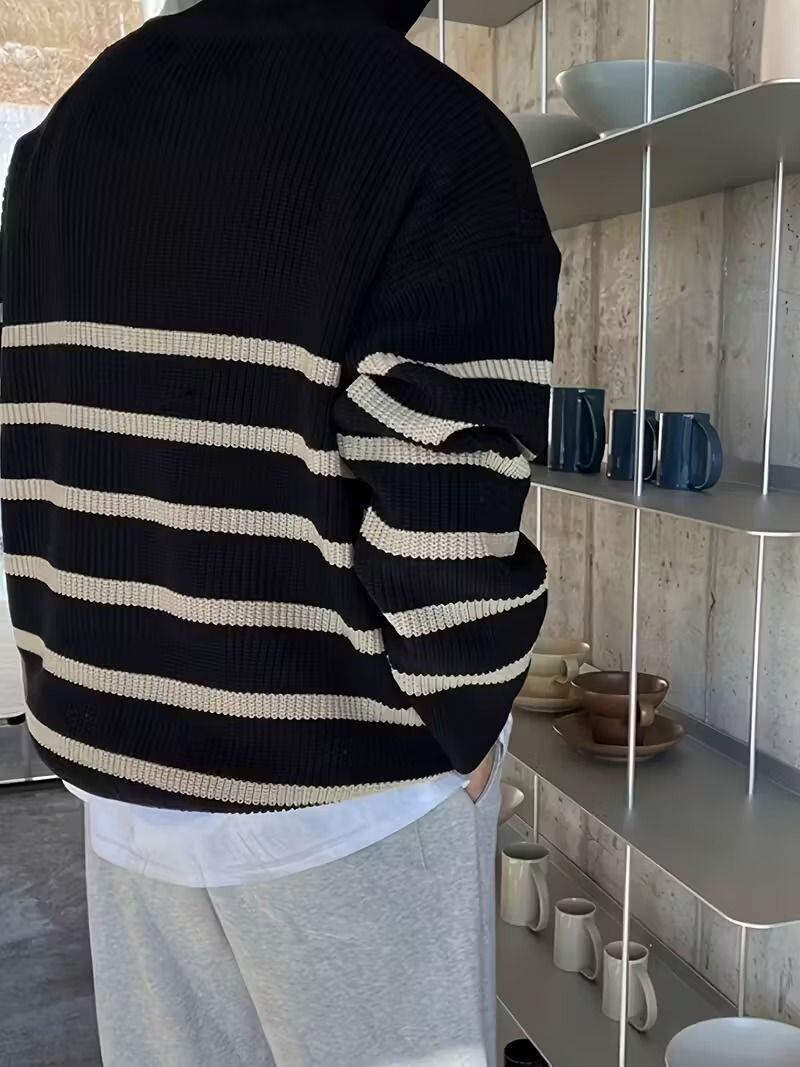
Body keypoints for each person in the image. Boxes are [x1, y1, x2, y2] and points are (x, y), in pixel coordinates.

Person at [0, 1, 559, 1063]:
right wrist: (469, 702)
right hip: (346, 782)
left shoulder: (76, 122)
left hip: (118, 754)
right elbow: (444, 471)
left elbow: (40, 417)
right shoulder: (431, 128)